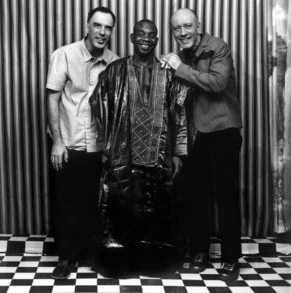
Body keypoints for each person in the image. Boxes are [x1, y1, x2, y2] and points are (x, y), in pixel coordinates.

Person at [90, 19, 188, 272]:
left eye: (152, 35)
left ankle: (154, 265)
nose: (146, 39)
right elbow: (98, 105)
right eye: (141, 34)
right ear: (132, 38)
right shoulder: (115, 70)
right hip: (124, 154)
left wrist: (178, 152)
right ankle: (118, 265)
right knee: (121, 211)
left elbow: (180, 112)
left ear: (157, 40)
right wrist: (108, 145)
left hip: (159, 154)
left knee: (155, 212)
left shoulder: (168, 73)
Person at [162, 8, 243, 281]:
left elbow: (219, 84)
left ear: (199, 26)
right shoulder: (182, 56)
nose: (182, 33)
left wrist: (180, 69)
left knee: (226, 197)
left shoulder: (218, 47)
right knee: (196, 196)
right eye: (176, 29)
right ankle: (200, 252)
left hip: (223, 132)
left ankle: (231, 257)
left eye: (187, 26)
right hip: (196, 136)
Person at [46, 7, 118, 280]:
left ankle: (90, 254)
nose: (102, 32)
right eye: (97, 25)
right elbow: (52, 98)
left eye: (108, 27)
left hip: (97, 146)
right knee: (65, 201)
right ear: (87, 26)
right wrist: (58, 143)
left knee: (93, 202)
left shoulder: (115, 61)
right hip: (67, 141)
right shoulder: (64, 54)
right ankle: (66, 257)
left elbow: (115, 108)